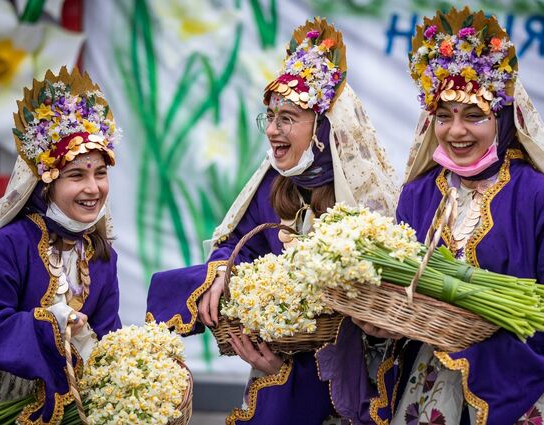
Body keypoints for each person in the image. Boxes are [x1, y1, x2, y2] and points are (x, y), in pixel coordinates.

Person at [354, 7, 544, 425]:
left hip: (515, 390)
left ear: (503, 117)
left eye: (474, 115)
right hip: (426, 387)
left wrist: (489, 357)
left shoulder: (541, 199)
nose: (456, 132)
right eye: (443, 116)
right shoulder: (417, 196)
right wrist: (383, 327)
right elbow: (400, 295)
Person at [147, 18, 401, 424]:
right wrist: (219, 269)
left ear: (323, 128)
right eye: (268, 117)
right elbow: (236, 243)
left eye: (286, 118)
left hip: (356, 382)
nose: (271, 131)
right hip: (278, 366)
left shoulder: (361, 192)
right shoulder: (273, 183)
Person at [0, 67, 123, 424]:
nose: (93, 188)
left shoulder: (101, 254)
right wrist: (51, 323)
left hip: (79, 408)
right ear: (45, 185)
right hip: (3, 408)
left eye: (100, 173)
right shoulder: (10, 244)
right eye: (76, 175)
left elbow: (107, 337)